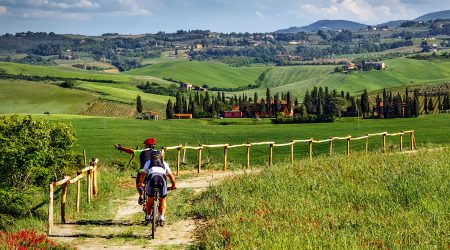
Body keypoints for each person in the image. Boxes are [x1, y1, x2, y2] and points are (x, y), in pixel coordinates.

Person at [115, 138, 176, 226]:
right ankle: (161, 217)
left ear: (146, 145)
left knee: (139, 184)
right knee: (162, 198)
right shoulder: (158, 154)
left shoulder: (142, 151)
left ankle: (141, 195)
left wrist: (120, 148)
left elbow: (130, 151)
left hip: (145, 173)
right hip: (159, 177)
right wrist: (173, 185)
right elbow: (170, 175)